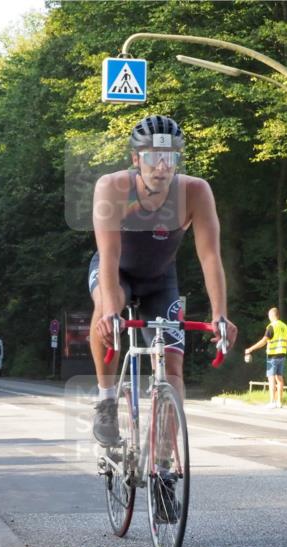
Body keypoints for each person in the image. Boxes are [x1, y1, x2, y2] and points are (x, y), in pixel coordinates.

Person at [89, 114, 238, 446]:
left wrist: (220, 315)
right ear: (135, 159)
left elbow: (210, 256)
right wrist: (113, 311)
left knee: (172, 367)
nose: (161, 167)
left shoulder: (196, 192)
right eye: (153, 157)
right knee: (104, 311)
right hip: (117, 273)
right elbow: (110, 256)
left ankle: (166, 457)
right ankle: (106, 400)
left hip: (160, 280)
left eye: (169, 157)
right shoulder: (112, 188)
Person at [244, 307, 287, 409]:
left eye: (269, 315)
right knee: (280, 378)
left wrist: (250, 349)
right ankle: (279, 402)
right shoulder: (285, 326)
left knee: (271, 378)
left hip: (272, 355)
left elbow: (264, 341)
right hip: (282, 354)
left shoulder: (271, 326)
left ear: (272, 315)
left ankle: (272, 402)